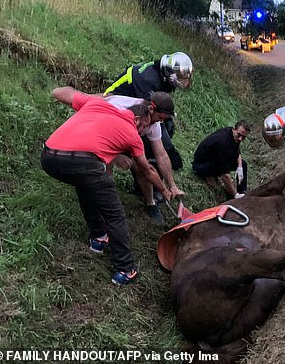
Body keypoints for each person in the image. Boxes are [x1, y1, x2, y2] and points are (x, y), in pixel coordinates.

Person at [41, 87, 172, 286]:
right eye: (146, 126)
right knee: (115, 214)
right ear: (138, 119)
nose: (145, 131)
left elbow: (59, 91)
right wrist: (164, 190)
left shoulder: (96, 103)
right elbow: (148, 171)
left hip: (49, 157)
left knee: (85, 185)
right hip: (84, 162)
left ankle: (99, 238)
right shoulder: (132, 134)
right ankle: (125, 269)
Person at [104, 52, 194, 172]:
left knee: (167, 125)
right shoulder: (149, 82)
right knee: (147, 137)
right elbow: (149, 117)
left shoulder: (159, 75)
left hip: (133, 105)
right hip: (113, 107)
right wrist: (170, 152)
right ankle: (141, 167)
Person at [104, 92, 185, 225]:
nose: (160, 121)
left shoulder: (153, 122)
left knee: (142, 166)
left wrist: (172, 186)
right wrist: (116, 157)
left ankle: (150, 203)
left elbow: (161, 154)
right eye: (159, 117)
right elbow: (102, 139)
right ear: (151, 109)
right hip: (107, 130)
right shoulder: (119, 110)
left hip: (127, 135)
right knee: (106, 168)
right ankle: (107, 202)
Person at [192, 120, 251, 199]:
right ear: (234, 129)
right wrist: (235, 195)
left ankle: (242, 192)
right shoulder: (224, 143)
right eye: (239, 135)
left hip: (215, 158)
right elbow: (225, 175)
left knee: (243, 164)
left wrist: (240, 167)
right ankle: (234, 195)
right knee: (224, 173)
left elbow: (237, 151)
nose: (240, 139)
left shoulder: (233, 135)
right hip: (201, 165)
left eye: (243, 137)